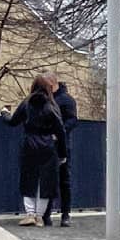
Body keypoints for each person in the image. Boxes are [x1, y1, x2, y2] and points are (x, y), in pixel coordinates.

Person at [6, 75, 67, 226]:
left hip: (29, 146)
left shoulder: (27, 103)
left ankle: (30, 214)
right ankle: (40, 217)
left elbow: (13, 121)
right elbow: (61, 131)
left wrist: (4, 113)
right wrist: (62, 153)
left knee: (28, 180)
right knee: (45, 182)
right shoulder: (52, 105)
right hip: (48, 147)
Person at [49, 79, 80, 227]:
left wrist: (59, 133)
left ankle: (65, 214)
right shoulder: (48, 98)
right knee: (50, 180)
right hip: (49, 144)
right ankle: (47, 213)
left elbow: (72, 120)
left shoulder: (66, 100)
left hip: (61, 145)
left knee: (63, 180)